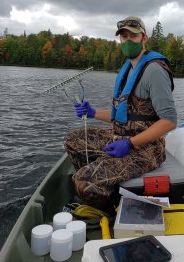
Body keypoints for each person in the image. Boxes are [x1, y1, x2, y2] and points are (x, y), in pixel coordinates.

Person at [64, 16, 177, 210]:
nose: (127, 41)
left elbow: (169, 121)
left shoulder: (154, 71)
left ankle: (109, 210)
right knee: (73, 140)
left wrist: (130, 143)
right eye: (124, 37)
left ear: (144, 38)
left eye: (133, 36)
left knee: (84, 181)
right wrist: (92, 112)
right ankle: (102, 180)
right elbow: (123, 115)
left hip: (146, 148)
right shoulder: (127, 70)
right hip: (121, 137)